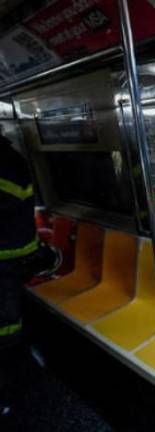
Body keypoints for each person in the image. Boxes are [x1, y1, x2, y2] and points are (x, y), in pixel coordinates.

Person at [0, 133, 58, 418]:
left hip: (9, 263)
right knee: (7, 325)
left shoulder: (10, 163)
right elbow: (19, 223)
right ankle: (11, 387)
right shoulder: (11, 162)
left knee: (8, 324)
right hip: (9, 264)